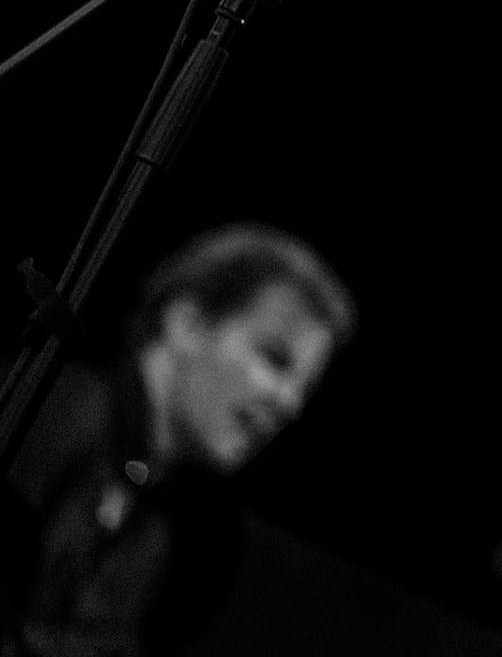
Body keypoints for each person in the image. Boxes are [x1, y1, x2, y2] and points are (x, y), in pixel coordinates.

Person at [2, 224, 355, 657]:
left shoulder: (166, 523)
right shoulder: (48, 416)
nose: (289, 403)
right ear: (186, 324)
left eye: (304, 388)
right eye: (274, 358)